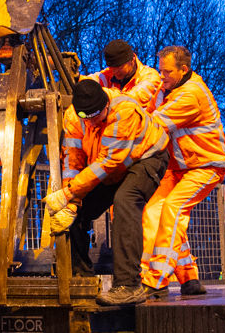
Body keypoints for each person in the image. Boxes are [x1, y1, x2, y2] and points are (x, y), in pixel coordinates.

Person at [45, 78, 168, 305]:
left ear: (106, 105)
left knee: (125, 200)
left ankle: (129, 285)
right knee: (76, 211)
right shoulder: (73, 117)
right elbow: (73, 161)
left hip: (146, 158)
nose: (91, 123)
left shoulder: (124, 111)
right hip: (111, 168)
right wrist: (72, 201)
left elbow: (108, 162)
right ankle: (81, 277)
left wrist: (69, 193)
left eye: (96, 116)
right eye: (86, 118)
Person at [141, 45, 225, 298]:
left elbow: (152, 124)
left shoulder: (191, 94)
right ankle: (188, 277)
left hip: (206, 165)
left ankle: (156, 279)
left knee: (173, 208)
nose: (162, 76)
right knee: (153, 212)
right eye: (160, 70)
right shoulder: (166, 89)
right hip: (179, 168)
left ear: (184, 69)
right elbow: (145, 111)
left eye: (167, 71)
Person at [95, 40, 163, 111]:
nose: (115, 71)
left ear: (132, 60)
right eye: (112, 67)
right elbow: (91, 81)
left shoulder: (150, 77)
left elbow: (130, 100)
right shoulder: (109, 74)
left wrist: (103, 95)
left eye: (119, 67)